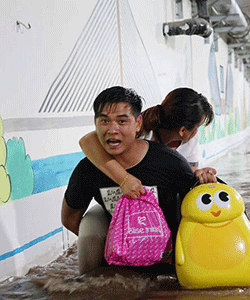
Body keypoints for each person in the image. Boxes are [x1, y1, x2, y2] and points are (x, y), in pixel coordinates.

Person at [61, 86, 196, 275]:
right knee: (90, 227)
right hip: (119, 263)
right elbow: (70, 218)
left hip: (166, 262)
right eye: (104, 121)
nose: (113, 130)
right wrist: (118, 243)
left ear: (138, 123)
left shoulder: (169, 162)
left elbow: (198, 205)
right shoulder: (88, 169)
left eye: (122, 121)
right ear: (95, 123)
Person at [79, 87, 217, 199]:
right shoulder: (140, 129)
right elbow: (87, 141)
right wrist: (124, 179)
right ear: (182, 130)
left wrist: (200, 173)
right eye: (196, 127)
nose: (196, 132)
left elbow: (185, 170)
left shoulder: (191, 140)